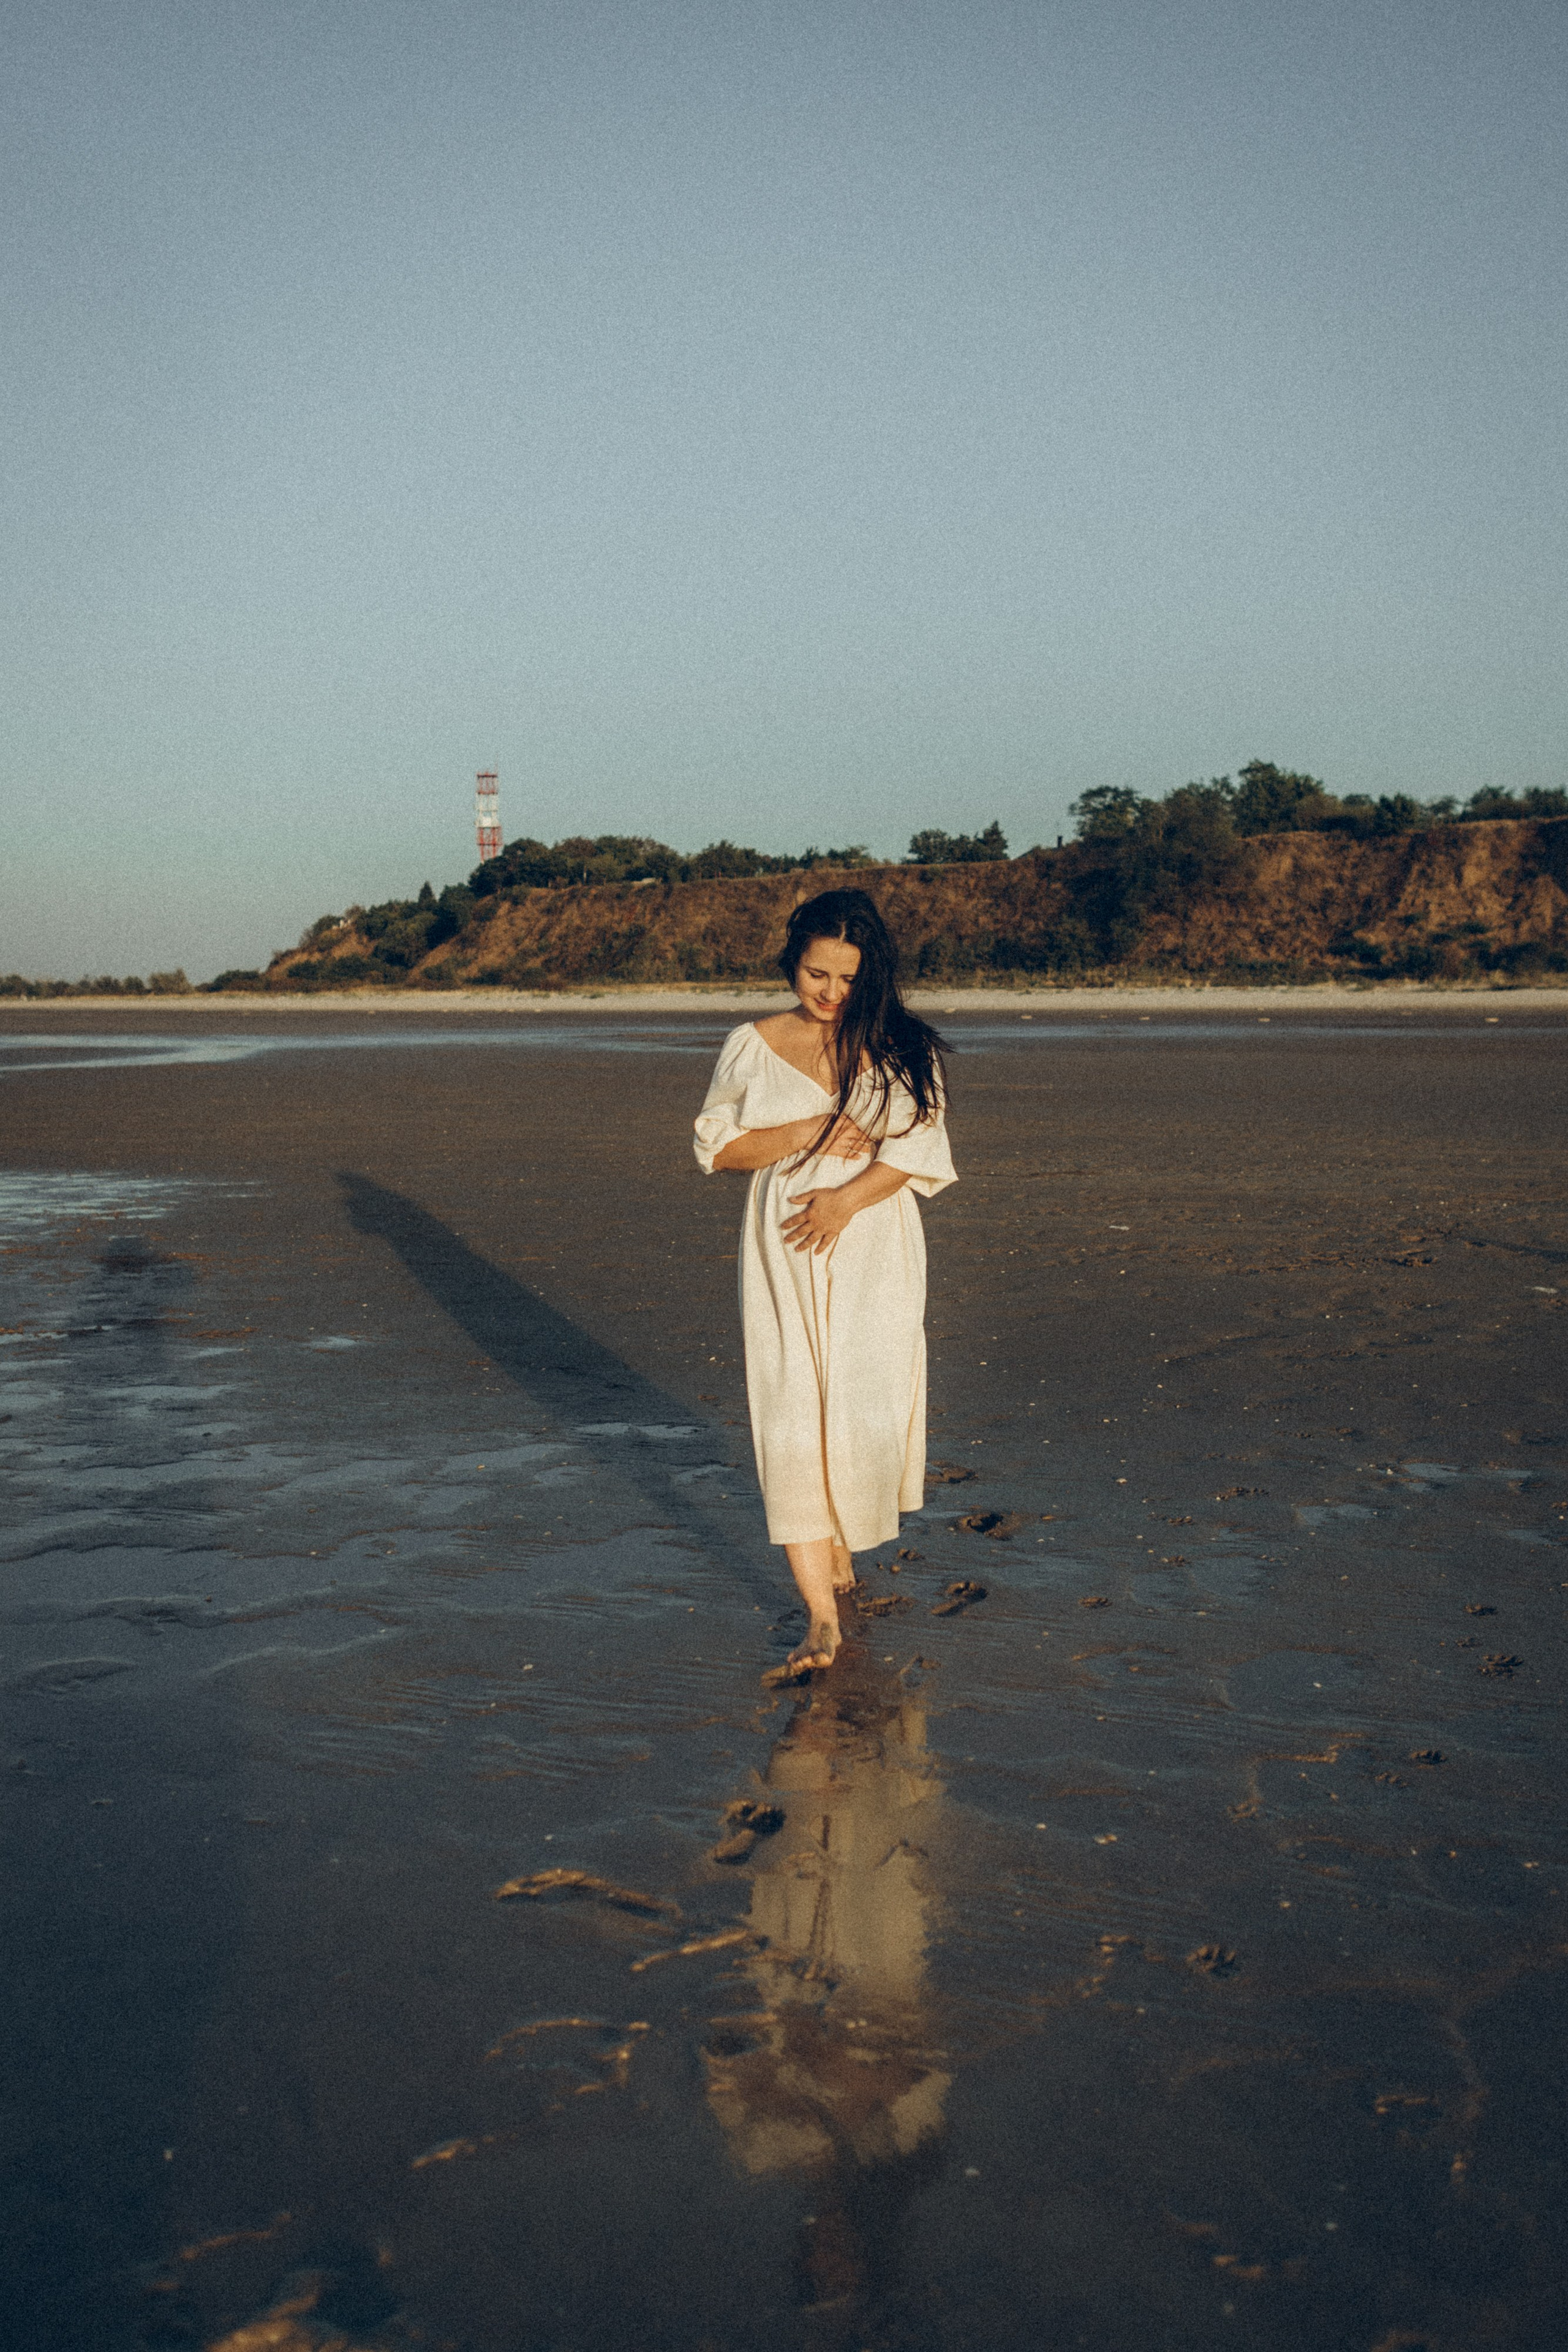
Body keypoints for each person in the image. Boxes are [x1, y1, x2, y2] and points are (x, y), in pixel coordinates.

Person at [693, 888, 956, 1675]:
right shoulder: (751, 1044)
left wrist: (844, 1200)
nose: (832, 992)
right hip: (784, 1245)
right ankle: (819, 1619)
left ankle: (842, 1530)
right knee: (790, 1409)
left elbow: (919, 1149)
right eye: (817, 974)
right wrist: (803, 1131)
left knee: (862, 1401)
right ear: (791, 962)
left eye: (848, 977)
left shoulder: (902, 1044)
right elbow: (717, 1149)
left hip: (875, 1243)